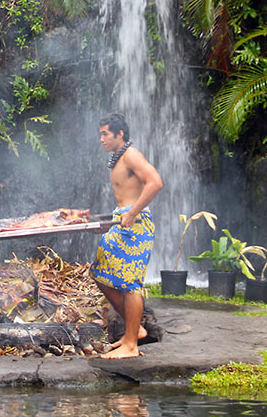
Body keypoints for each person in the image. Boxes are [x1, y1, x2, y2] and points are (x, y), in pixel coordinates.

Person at [91, 113, 163, 359]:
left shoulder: (132, 155)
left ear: (119, 134)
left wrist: (132, 213)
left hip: (136, 224)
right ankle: (136, 330)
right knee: (100, 273)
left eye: (105, 134)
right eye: (100, 134)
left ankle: (131, 344)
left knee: (131, 284)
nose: (101, 139)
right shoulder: (119, 157)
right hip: (120, 222)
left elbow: (155, 182)